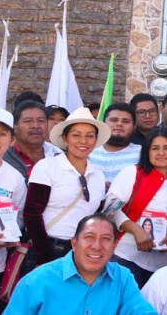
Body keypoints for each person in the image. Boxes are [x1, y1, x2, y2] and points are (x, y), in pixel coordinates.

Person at [4, 214, 156, 315]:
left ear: (114, 246)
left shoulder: (121, 277)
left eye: (105, 239)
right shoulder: (37, 281)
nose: (97, 246)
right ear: (74, 243)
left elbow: (141, 311)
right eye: (89, 237)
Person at [23, 107, 109, 268]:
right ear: (65, 138)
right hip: (48, 248)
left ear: (96, 140)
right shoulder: (47, 166)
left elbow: (95, 214)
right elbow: (31, 214)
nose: (83, 141)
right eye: (76, 135)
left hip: (82, 252)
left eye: (89, 136)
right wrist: (45, 255)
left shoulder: (98, 175)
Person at [106, 128, 167, 288]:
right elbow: (110, 209)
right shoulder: (132, 173)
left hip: (161, 264)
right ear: (146, 151)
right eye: (155, 148)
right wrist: (135, 230)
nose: (161, 153)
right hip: (125, 256)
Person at [0, 108, 26, 314]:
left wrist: (10, 237)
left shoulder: (15, 178)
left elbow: (19, 218)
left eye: (2, 133)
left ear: (12, 141)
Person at [88, 103, 142, 189]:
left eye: (125, 121)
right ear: (103, 123)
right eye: (113, 120)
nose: (119, 124)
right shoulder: (88, 151)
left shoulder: (142, 153)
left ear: (134, 127)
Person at [4, 100, 62, 179]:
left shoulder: (58, 155)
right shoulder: (2, 156)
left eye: (41, 121)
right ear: (15, 128)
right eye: (28, 121)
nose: (36, 125)